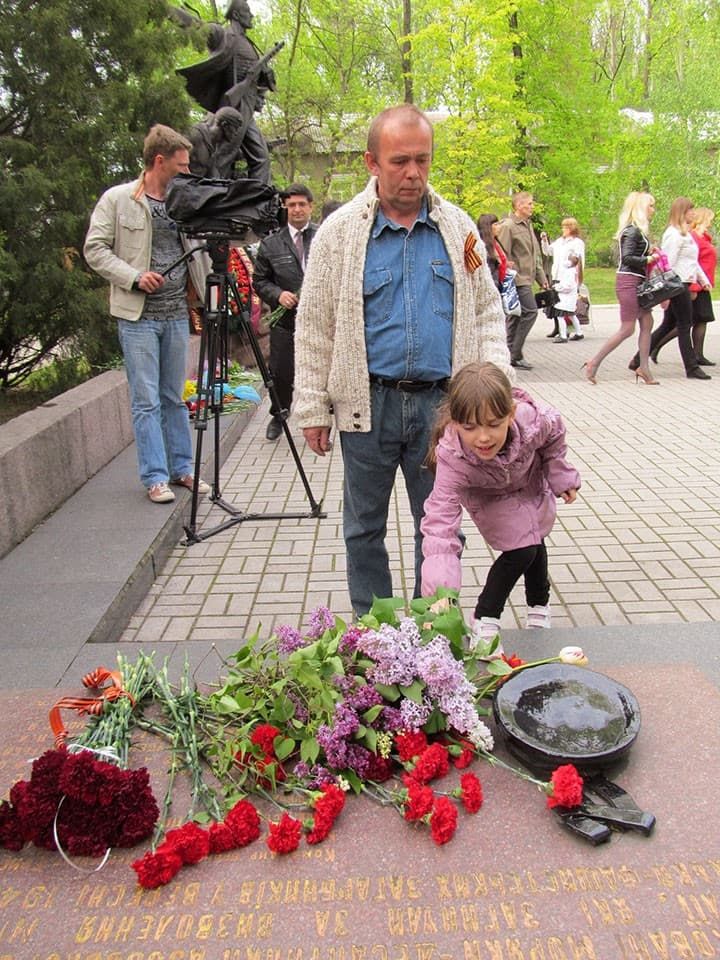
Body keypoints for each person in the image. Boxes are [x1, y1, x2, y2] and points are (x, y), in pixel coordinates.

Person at [293, 104, 511, 616]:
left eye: (422, 160)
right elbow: (315, 327)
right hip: (365, 405)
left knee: (437, 527)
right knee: (363, 526)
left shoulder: (458, 229)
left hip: (442, 411)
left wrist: (497, 387)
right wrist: (311, 408)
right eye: (399, 162)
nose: (413, 173)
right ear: (372, 162)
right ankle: (374, 633)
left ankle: (431, 634)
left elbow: (485, 312)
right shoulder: (340, 234)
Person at [84, 124, 211, 504]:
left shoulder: (182, 201)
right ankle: (154, 477)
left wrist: (205, 299)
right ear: (160, 161)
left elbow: (201, 254)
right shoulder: (119, 199)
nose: (186, 172)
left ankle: (182, 469)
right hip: (138, 317)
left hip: (175, 313)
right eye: (181, 165)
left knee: (174, 397)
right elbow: (95, 249)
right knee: (146, 400)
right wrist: (135, 276)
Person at [421, 362, 580, 644]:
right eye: (470, 427)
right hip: (489, 495)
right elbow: (440, 529)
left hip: (528, 481)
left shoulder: (531, 419)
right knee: (521, 549)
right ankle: (485, 616)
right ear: (455, 423)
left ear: (510, 414)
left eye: (494, 424)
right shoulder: (452, 458)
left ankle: (539, 607)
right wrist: (441, 595)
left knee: (535, 539)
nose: (483, 437)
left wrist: (559, 473)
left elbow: (555, 432)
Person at [173, 0, 277, 183]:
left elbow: (256, 79)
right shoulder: (224, 36)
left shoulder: (249, 43)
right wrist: (168, 11)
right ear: (236, 15)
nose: (251, 15)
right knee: (222, 156)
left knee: (261, 157)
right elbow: (199, 28)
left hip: (247, 108)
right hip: (230, 108)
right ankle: (213, 193)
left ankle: (259, 199)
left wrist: (265, 74)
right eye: (247, 11)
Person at [253, 183, 318, 440]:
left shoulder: (324, 236)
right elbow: (259, 281)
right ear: (285, 208)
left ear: (310, 206)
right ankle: (279, 414)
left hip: (317, 319)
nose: (297, 209)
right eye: (292, 205)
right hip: (285, 321)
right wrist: (278, 295)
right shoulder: (271, 244)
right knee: (280, 372)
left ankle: (317, 421)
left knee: (317, 373)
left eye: (302, 204)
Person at [583, 191, 660, 385]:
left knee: (647, 323)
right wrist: (649, 258)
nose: (654, 210)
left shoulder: (638, 231)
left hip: (637, 281)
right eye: (651, 206)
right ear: (641, 208)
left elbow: (633, 254)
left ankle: (644, 368)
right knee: (627, 329)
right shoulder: (632, 230)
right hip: (628, 281)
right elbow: (626, 258)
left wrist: (648, 252)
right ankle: (594, 362)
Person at [632, 197, 711, 381]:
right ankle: (691, 367)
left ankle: (638, 359)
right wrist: (667, 292)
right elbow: (668, 263)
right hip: (676, 284)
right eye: (690, 210)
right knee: (685, 324)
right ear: (682, 213)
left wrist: (702, 279)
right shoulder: (673, 234)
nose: (693, 213)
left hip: (684, 281)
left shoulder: (686, 234)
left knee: (669, 325)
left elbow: (692, 261)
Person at [496, 192, 548, 370]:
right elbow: (502, 253)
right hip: (517, 279)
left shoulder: (528, 225)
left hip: (528, 276)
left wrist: (541, 278)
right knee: (530, 311)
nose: (532, 207)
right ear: (518, 205)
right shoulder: (508, 226)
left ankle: (507, 354)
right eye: (529, 204)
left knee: (515, 316)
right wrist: (510, 275)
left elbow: (533, 255)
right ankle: (514, 353)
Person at [540, 217, 585, 340]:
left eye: (566, 227)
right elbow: (548, 251)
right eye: (563, 227)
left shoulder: (577, 242)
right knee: (556, 305)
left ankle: (565, 332)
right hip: (557, 275)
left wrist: (570, 267)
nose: (563, 229)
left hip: (568, 277)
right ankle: (560, 329)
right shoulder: (560, 241)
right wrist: (544, 241)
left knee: (563, 308)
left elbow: (577, 259)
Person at [188, 107, 248, 180]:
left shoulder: (214, 145)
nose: (236, 133)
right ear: (224, 125)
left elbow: (214, 175)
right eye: (235, 128)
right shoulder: (194, 135)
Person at [551, 253, 585, 343]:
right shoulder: (573, 271)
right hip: (570, 299)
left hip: (565, 299)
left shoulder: (570, 272)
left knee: (560, 316)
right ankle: (579, 332)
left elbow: (568, 286)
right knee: (572, 315)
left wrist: (557, 288)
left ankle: (563, 335)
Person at [477, 213, 507, 291]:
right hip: (491, 287)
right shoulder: (483, 246)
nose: (499, 227)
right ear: (488, 227)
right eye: (496, 224)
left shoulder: (496, 243)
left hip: (500, 284)